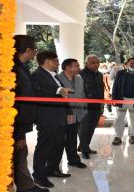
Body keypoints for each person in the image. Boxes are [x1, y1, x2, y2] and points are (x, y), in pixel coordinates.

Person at [31, 51, 74, 188]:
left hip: (60, 115)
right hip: (46, 117)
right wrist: (60, 89)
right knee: (44, 146)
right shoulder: (37, 75)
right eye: (56, 61)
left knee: (58, 144)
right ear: (48, 62)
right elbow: (48, 89)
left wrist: (68, 111)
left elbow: (63, 96)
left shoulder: (54, 75)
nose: (58, 63)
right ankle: (38, 175)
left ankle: (53, 169)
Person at [12, 35, 49, 192]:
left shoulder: (22, 67)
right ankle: (26, 188)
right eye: (35, 49)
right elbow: (14, 102)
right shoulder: (13, 70)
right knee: (19, 155)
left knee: (21, 154)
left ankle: (26, 185)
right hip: (14, 123)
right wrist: (19, 131)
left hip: (20, 122)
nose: (36, 53)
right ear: (28, 50)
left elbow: (32, 90)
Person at [57, 58, 87, 169]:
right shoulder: (57, 79)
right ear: (68, 67)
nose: (79, 67)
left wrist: (84, 110)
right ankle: (54, 164)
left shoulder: (79, 79)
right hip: (63, 115)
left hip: (78, 114)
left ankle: (73, 160)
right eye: (76, 65)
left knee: (72, 138)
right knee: (60, 140)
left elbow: (83, 95)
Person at [79, 54, 104, 159]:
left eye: (97, 62)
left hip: (97, 105)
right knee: (84, 129)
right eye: (93, 62)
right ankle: (84, 150)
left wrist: (102, 104)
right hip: (85, 106)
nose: (96, 65)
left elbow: (101, 90)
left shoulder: (100, 75)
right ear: (86, 63)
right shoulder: (80, 74)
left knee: (92, 128)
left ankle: (84, 146)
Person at [111, 57, 134, 145]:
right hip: (122, 99)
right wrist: (114, 99)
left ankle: (132, 135)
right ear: (127, 64)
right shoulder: (120, 73)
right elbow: (115, 86)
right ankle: (118, 136)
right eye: (132, 63)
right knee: (119, 118)